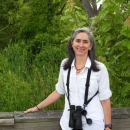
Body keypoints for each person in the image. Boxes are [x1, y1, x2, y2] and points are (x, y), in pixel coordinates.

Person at [24, 27, 112, 130]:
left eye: (85, 42)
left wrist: (108, 126)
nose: (81, 45)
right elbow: (59, 91)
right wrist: (37, 107)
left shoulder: (100, 68)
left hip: (93, 124)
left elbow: (105, 99)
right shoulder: (65, 65)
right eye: (78, 41)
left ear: (90, 46)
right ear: (72, 43)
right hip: (68, 124)